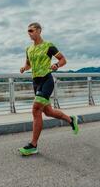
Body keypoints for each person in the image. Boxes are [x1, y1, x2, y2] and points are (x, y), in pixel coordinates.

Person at [18, 22, 79, 156]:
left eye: (32, 30)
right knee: (48, 112)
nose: (29, 33)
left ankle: (33, 145)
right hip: (36, 82)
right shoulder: (28, 49)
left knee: (35, 109)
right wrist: (24, 68)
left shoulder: (48, 46)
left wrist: (57, 65)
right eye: (28, 31)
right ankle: (71, 120)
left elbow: (63, 59)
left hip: (46, 79)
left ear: (39, 31)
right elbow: (28, 64)